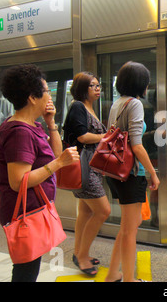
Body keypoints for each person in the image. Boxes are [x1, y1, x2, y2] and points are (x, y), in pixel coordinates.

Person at [0, 64, 79, 282]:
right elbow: (18, 181)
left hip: (32, 211)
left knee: (28, 269)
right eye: (46, 91)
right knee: (25, 272)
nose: (49, 96)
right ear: (33, 97)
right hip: (24, 214)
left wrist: (51, 123)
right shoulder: (20, 132)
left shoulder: (31, 125)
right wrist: (58, 164)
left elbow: (55, 154)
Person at [104, 61, 160, 282]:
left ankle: (111, 275)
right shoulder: (134, 104)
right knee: (129, 231)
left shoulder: (117, 103)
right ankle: (128, 279)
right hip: (130, 174)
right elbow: (136, 145)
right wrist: (152, 173)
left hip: (115, 171)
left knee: (129, 225)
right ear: (141, 84)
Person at [64, 72, 110, 276]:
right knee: (103, 211)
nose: (98, 89)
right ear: (83, 88)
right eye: (93, 86)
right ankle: (82, 257)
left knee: (85, 212)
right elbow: (82, 137)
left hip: (93, 167)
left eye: (99, 85)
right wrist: (105, 137)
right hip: (85, 168)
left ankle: (78, 252)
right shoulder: (78, 106)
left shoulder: (90, 107)